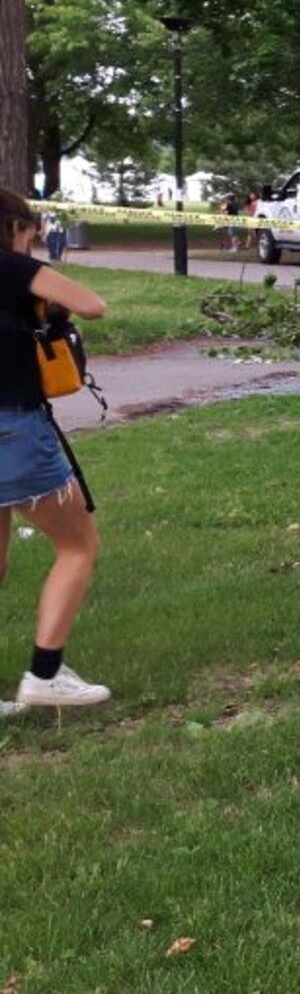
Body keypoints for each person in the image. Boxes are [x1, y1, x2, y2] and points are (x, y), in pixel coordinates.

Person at [0, 187, 111, 717]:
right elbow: (93, 305)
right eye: (29, 233)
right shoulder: (15, 269)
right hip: (13, 429)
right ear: (15, 228)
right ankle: (45, 674)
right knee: (77, 545)